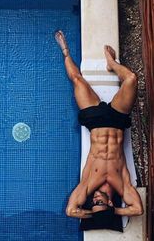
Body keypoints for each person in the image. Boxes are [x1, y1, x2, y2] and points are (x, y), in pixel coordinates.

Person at [55, 30, 144, 219]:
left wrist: (94, 213)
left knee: (77, 80)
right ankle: (112, 64)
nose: (94, 199)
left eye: (93, 203)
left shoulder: (88, 184)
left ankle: (65, 52)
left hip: (94, 121)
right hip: (117, 121)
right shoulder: (122, 184)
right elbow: (137, 209)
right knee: (131, 79)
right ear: (110, 203)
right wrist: (112, 212)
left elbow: (71, 211)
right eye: (99, 203)